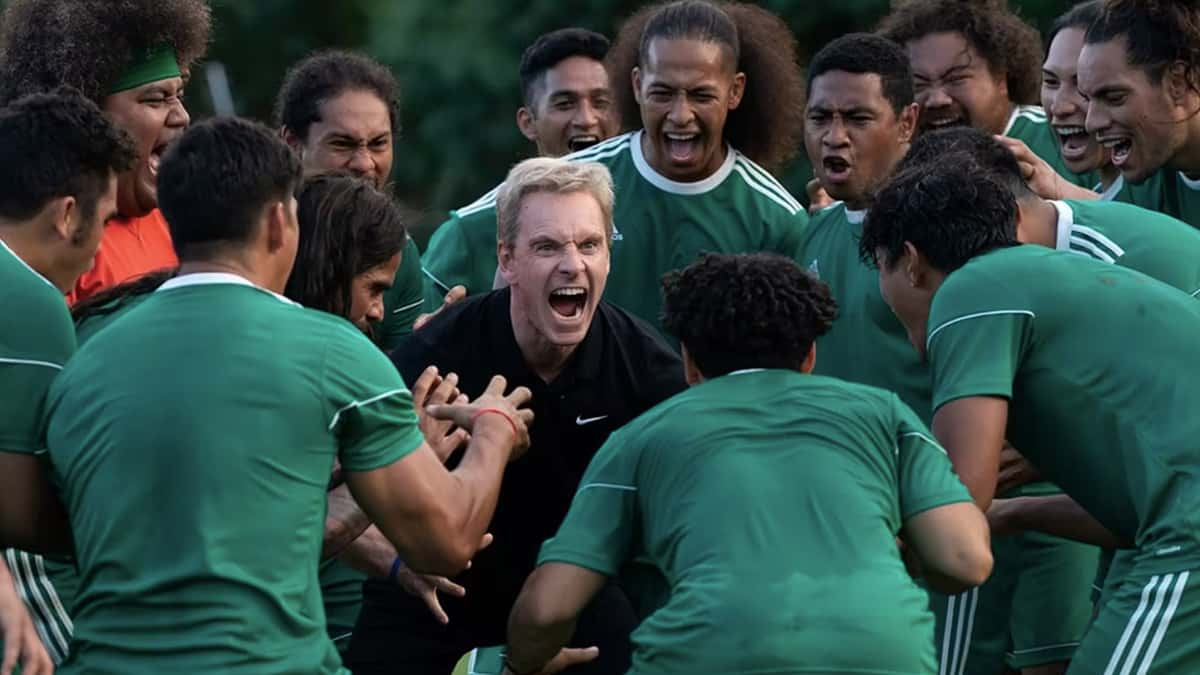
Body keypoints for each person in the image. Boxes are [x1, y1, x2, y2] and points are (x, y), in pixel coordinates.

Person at [40, 117, 532, 674]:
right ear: (280, 220)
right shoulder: (337, 352)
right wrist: (493, 428)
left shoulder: (84, 358)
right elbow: (446, 542)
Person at [504, 252, 992, 675]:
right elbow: (965, 560)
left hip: (706, 655)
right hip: (884, 650)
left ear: (689, 363)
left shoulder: (637, 439)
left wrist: (522, 664)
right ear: (809, 356)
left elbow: (546, 610)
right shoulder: (885, 415)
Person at [861, 159, 1200, 675]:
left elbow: (958, 499)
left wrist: (853, 543)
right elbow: (1128, 519)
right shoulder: (1054, 279)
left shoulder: (972, 290)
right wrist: (1014, 514)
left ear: (909, 261)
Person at [348, 157, 686, 675]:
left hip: (572, 594)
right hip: (446, 591)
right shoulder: (434, 356)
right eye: (548, 246)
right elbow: (346, 497)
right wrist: (399, 561)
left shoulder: (646, 367)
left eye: (589, 245)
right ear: (507, 258)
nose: (573, 264)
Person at [420, 0, 809, 333]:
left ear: (735, 91)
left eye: (701, 95)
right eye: (662, 93)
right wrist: (431, 326)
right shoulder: (578, 179)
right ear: (637, 85)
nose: (680, 114)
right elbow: (463, 232)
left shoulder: (776, 217)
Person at [0, 88, 133, 673]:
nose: (99, 246)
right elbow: (16, 511)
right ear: (67, 213)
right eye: (105, 220)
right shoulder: (30, 302)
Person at [0, 0, 211, 304]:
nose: (182, 116)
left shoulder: (188, 222)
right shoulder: (55, 240)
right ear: (89, 110)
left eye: (179, 95)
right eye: (156, 99)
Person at [798, 32, 926, 416]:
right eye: (820, 118)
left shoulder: (946, 233)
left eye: (858, 118)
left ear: (907, 123)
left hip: (929, 471)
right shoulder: (810, 234)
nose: (834, 137)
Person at [276, 49, 425, 348]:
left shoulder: (399, 251)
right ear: (293, 144)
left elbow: (398, 375)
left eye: (378, 143)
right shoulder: (257, 240)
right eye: (343, 144)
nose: (365, 163)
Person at [876, 0, 1096, 194]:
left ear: (1002, 77)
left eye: (956, 79)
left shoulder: (1067, 134)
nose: (937, 99)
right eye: (919, 84)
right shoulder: (897, 161)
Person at [1079, 0, 1200, 226]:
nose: (1091, 123)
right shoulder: (1146, 176)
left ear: (1178, 83)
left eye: (1114, 98)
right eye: (1087, 99)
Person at [516, 28, 619, 158]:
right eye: (565, 104)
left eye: (600, 103)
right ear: (528, 123)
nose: (586, 120)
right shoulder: (515, 179)